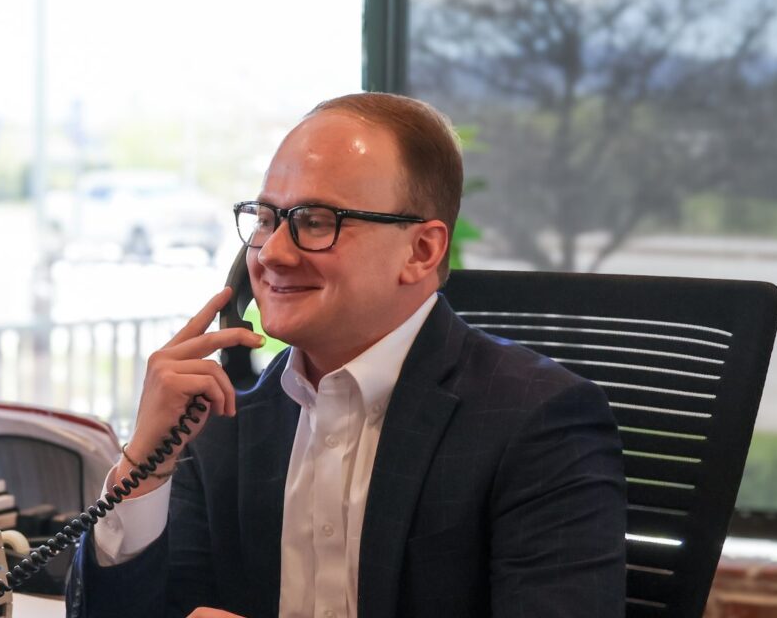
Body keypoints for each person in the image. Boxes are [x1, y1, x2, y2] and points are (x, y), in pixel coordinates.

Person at [65, 92, 626, 617]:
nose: (274, 254)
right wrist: (144, 469)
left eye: (316, 222)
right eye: (265, 219)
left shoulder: (538, 420)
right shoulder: (223, 425)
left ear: (421, 250)